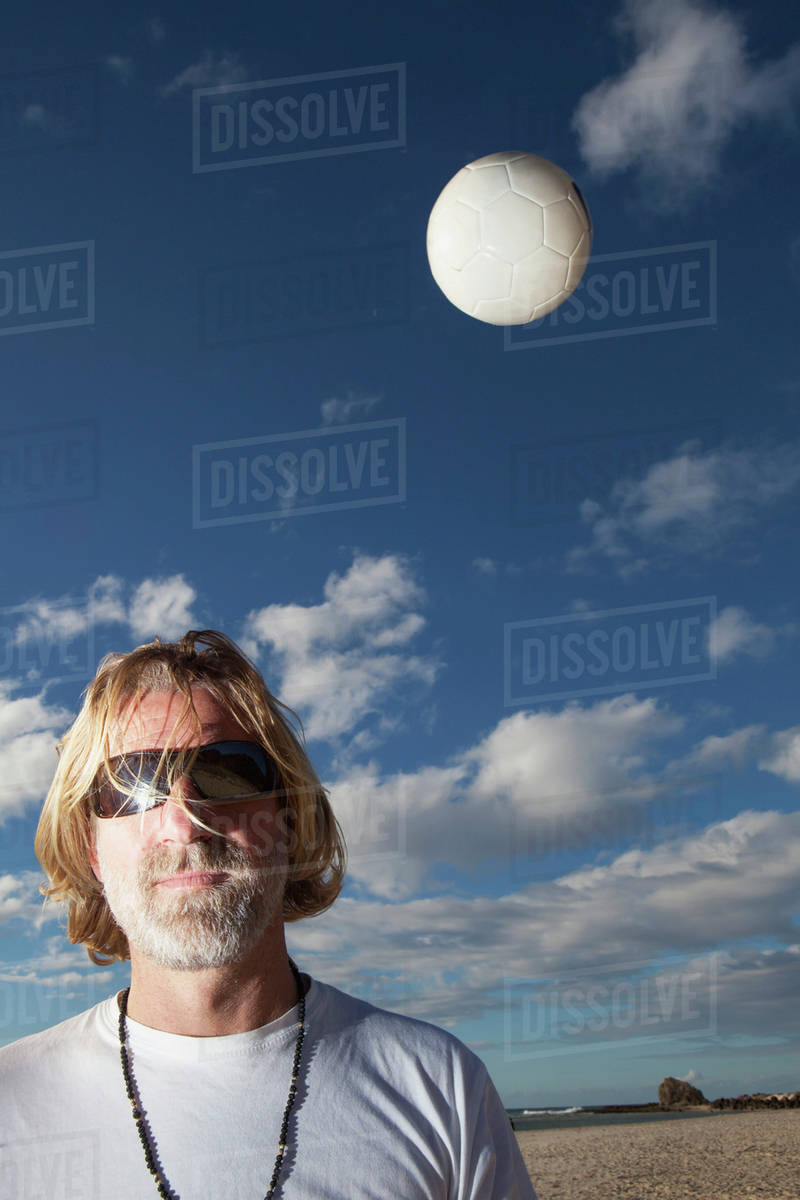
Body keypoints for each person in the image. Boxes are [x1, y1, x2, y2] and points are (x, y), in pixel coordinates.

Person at [0, 629, 537, 1199]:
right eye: (130, 784)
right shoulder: (11, 1100)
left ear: (287, 818)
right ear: (91, 848)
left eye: (228, 769)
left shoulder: (442, 1087)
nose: (184, 822)